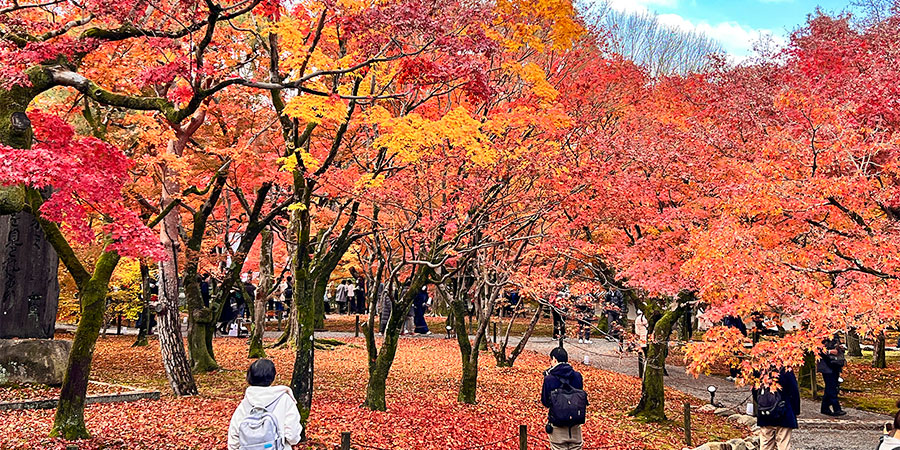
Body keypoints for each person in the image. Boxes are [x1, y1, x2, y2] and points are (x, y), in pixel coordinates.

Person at [227, 359, 302, 450]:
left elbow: (233, 441)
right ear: (273, 377)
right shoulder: (285, 400)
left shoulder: (245, 404)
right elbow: (293, 437)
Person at [541, 347, 586, 450]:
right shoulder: (577, 376)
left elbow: (545, 401)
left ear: (554, 359)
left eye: (551, 360)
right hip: (575, 424)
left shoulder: (549, 379)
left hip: (557, 425)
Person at [752, 367, 800, 450]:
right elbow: (794, 391)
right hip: (784, 412)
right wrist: (795, 411)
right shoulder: (785, 369)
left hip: (765, 412)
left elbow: (755, 392)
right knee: (783, 443)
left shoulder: (759, 368)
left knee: (766, 444)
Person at [818, 334, 847, 416]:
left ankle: (825, 408)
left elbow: (838, 347)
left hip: (835, 364)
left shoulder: (835, 336)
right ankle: (836, 408)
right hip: (826, 366)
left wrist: (840, 348)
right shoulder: (821, 336)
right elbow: (817, 350)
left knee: (830, 387)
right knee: (831, 387)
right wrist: (829, 352)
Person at [723, 315, 747, 381]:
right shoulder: (726, 317)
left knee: (737, 356)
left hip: (736, 339)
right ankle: (733, 374)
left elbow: (741, 328)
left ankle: (738, 374)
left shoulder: (735, 317)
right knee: (731, 356)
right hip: (730, 339)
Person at [634, 309, 649, 378]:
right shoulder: (645, 318)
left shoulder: (637, 319)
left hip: (642, 339)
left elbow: (637, 331)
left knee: (645, 355)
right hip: (647, 338)